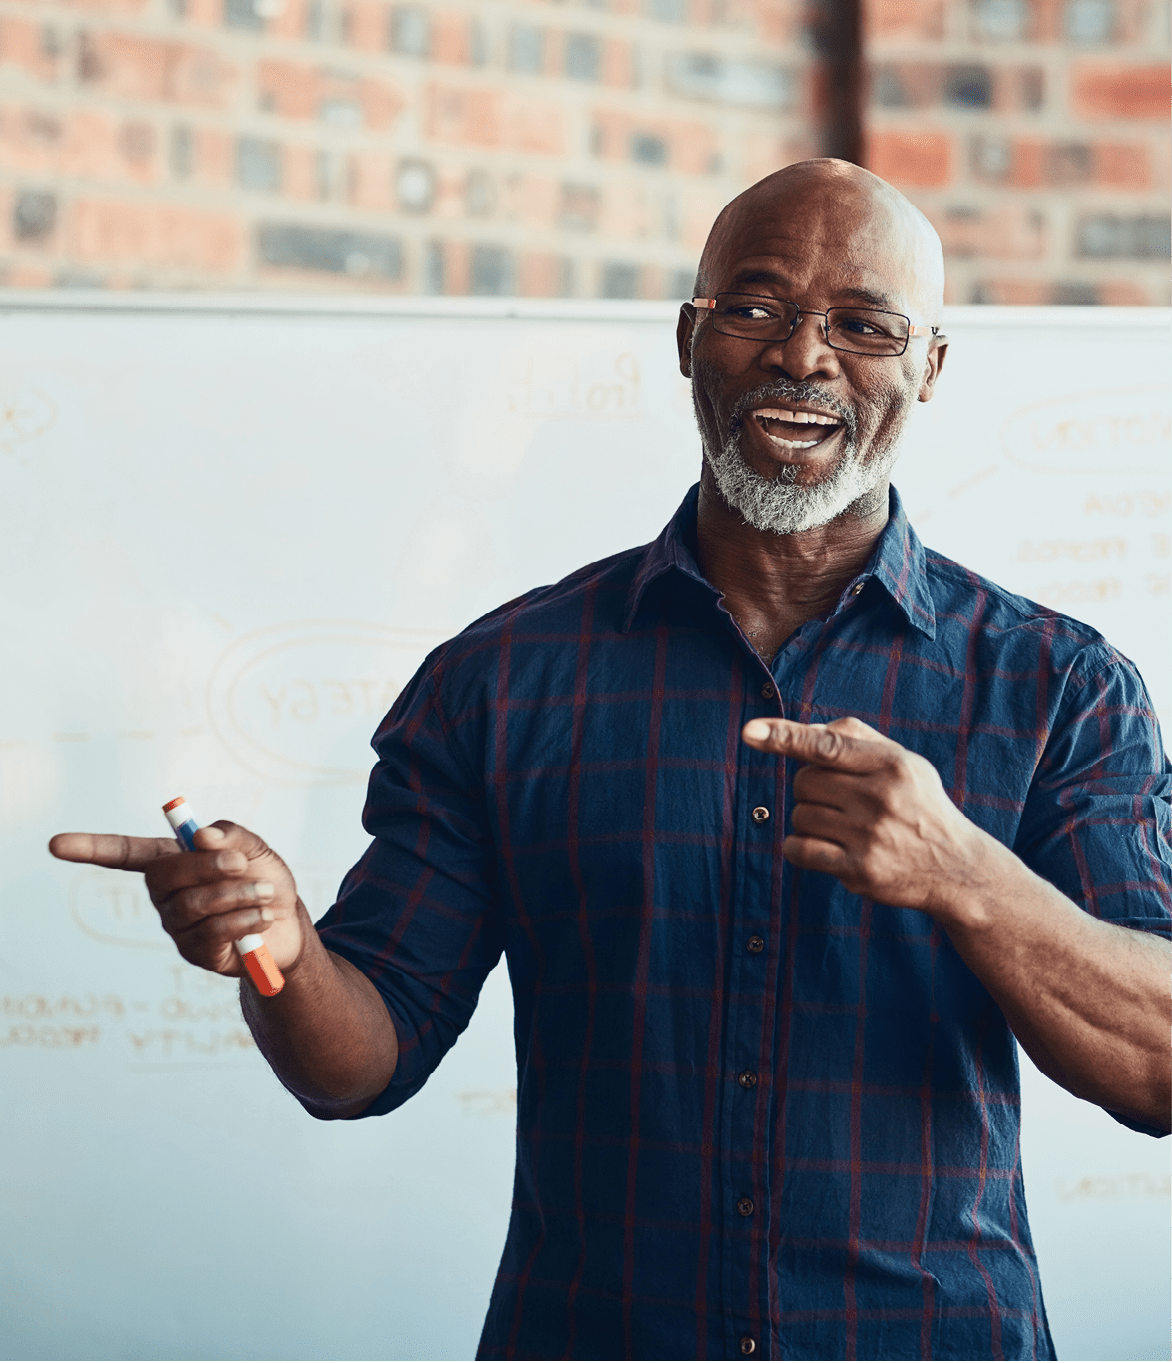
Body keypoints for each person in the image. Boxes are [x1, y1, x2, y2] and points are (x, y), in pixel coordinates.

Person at [50, 160, 1171, 1362]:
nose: (802, 355)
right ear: (688, 341)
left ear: (929, 367)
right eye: (754, 306)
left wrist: (964, 874)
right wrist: (280, 952)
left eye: (862, 323)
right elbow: (356, 1063)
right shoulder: (503, 680)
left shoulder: (1057, 687)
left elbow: (1156, 1068)